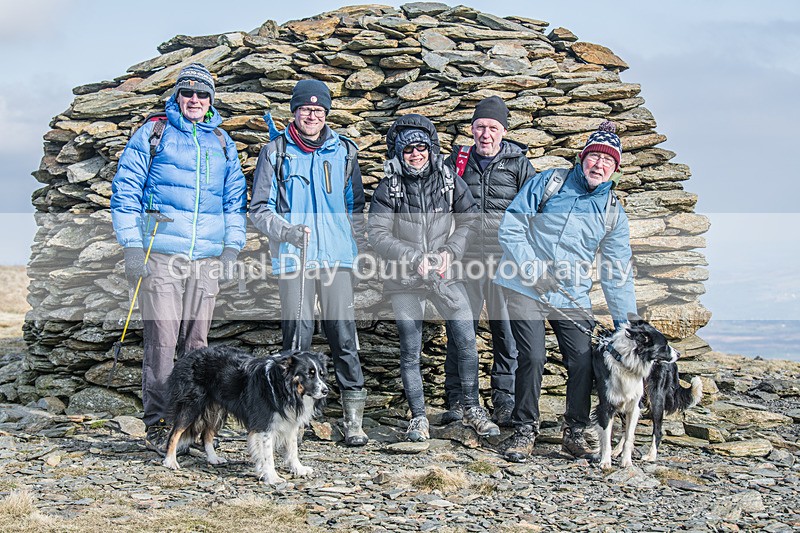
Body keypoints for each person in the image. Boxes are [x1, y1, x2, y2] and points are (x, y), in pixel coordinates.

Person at [111, 63, 247, 453]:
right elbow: (125, 192)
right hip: (163, 254)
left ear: (211, 101)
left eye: (202, 94)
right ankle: (158, 425)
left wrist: (232, 250)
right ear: (177, 96)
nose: (194, 100)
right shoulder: (153, 133)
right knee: (161, 343)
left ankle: (189, 426)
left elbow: (234, 202)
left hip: (206, 259)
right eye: (188, 93)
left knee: (198, 349)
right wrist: (133, 247)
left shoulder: (222, 142)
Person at [494, 121, 637, 462]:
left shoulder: (612, 212)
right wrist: (534, 270)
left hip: (570, 294)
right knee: (531, 356)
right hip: (522, 284)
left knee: (583, 360)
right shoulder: (551, 182)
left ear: (615, 169)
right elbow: (512, 224)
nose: (598, 165)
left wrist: (626, 328)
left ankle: (574, 431)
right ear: (582, 157)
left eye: (608, 161)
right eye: (594, 157)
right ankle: (524, 429)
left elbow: (617, 273)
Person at [249, 79, 370, 446]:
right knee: (295, 342)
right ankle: (292, 419)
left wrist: (355, 248)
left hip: (336, 258)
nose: (312, 115)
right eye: (305, 109)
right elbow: (258, 208)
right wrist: (285, 231)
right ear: (295, 112)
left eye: (319, 110)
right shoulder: (275, 152)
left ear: (326, 114)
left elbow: (355, 207)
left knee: (343, 337)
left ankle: (353, 422)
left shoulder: (345, 152)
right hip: (293, 258)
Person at [368, 114, 500, 442]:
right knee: (410, 348)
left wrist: (449, 253)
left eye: (421, 147)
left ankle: (471, 408)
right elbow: (377, 232)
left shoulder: (448, 180)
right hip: (405, 278)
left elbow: (469, 220)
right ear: (399, 153)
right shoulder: (390, 187)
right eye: (408, 149)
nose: (416, 154)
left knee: (467, 337)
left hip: (445, 273)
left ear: (431, 148)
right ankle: (419, 417)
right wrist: (413, 259)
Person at [442, 96, 536, 426]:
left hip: (504, 262)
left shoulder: (519, 165)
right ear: (471, 129)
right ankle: (456, 399)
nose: (486, 133)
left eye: (493, 127)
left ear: (503, 131)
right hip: (463, 261)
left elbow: (534, 213)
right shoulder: (456, 161)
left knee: (505, 332)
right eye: (480, 126)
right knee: (459, 330)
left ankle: (504, 401)